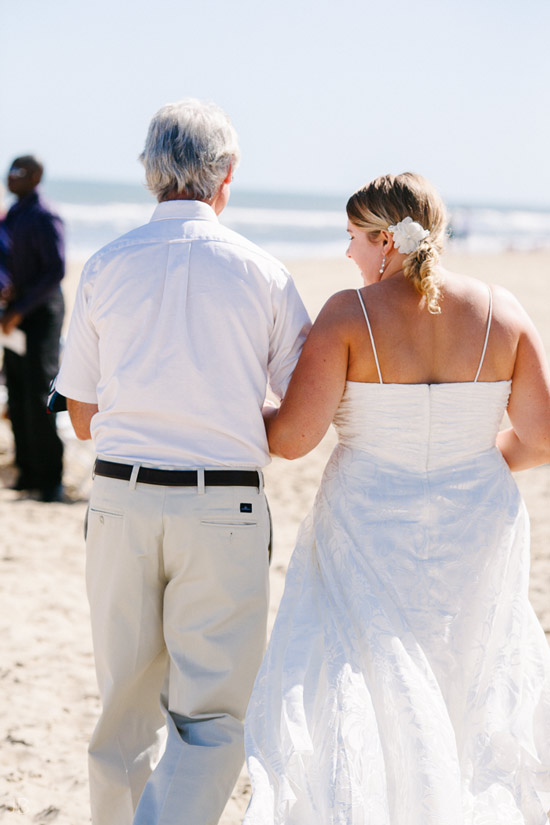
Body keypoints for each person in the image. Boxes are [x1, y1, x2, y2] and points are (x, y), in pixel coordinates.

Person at [244, 173, 550, 824]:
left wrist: (243, 408)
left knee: (371, 675)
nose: (348, 251)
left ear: (386, 241)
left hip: (369, 520)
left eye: (353, 237)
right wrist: (474, 460)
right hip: (477, 520)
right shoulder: (503, 309)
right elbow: (543, 437)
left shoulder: (348, 314)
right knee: (461, 673)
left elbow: (295, 438)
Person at [55, 98, 310, 825]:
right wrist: (229, 417)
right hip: (222, 509)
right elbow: (294, 431)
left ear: (148, 173)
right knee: (213, 717)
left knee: (123, 710)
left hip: (121, 501)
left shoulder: (105, 265)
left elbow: (79, 415)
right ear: (226, 175)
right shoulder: (264, 273)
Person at [1, 155, 65, 501]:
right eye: (9, 170)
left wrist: (21, 309)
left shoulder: (45, 215)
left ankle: (49, 480)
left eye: (19, 172)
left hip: (40, 314)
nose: (11, 177)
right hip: (14, 315)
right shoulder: (13, 213)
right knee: (17, 391)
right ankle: (26, 472)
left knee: (41, 392)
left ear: (37, 176)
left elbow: (55, 271)